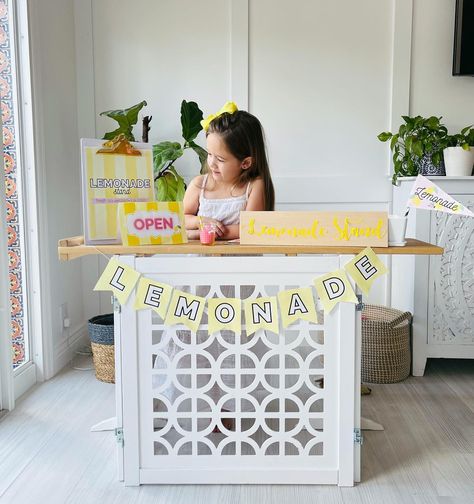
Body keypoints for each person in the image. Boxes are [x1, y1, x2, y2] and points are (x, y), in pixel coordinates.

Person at [183, 101, 275, 240]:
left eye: (220, 159)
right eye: (209, 154)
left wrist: (209, 233)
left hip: (239, 262)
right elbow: (181, 219)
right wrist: (199, 221)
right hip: (201, 261)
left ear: (245, 163)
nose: (212, 163)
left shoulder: (253, 186)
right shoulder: (199, 185)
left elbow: (251, 228)